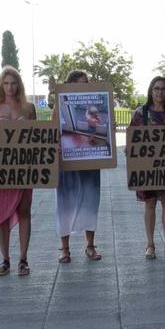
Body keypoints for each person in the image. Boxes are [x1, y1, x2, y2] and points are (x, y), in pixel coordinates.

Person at [0, 67, 36, 276]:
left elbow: (38, 137)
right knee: (1, 214)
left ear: (19, 85)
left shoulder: (28, 108)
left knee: (24, 211)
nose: (10, 87)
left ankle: (23, 259)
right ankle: (5, 259)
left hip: (23, 166)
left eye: (13, 83)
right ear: (0, 85)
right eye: (6, 83)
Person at [132, 77, 165, 259]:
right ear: (150, 91)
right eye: (156, 88)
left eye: (162, 89)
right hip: (148, 167)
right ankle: (150, 244)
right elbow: (132, 138)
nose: (159, 92)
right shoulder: (141, 113)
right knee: (150, 203)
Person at [55, 70, 102, 263]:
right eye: (82, 83)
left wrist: (108, 131)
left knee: (90, 202)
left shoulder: (93, 107)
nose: (86, 86)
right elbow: (53, 131)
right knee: (65, 204)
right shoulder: (60, 105)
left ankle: (90, 246)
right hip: (68, 162)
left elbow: (98, 131)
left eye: (87, 82)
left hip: (90, 161)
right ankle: (65, 249)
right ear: (71, 85)